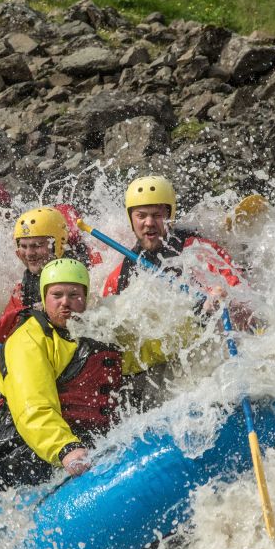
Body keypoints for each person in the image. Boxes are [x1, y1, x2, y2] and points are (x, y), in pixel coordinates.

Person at [0, 258, 122, 489]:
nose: (65, 303)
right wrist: (65, 448)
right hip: (22, 447)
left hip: (79, 434)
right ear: (44, 299)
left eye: (74, 295)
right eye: (57, 295)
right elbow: (33, 406)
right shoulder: (28, 340)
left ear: (85, 298)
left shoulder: (95, 328)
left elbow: (142, 350)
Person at [103, 175, 256, 411]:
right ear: (131, 219)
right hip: (162, 368)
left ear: (169, 215)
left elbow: (241, 294)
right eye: (141, 216)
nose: (149, 223)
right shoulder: (121, 274)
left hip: (211, 353)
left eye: (157, 215)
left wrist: (224, 295)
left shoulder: (198, 250)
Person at [0, 206, 70, 343]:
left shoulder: (79, 283)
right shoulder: (21, 290)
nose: (29, 253)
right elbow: (2, 338)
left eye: (37, 245)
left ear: (58, 244)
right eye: (23, 246)